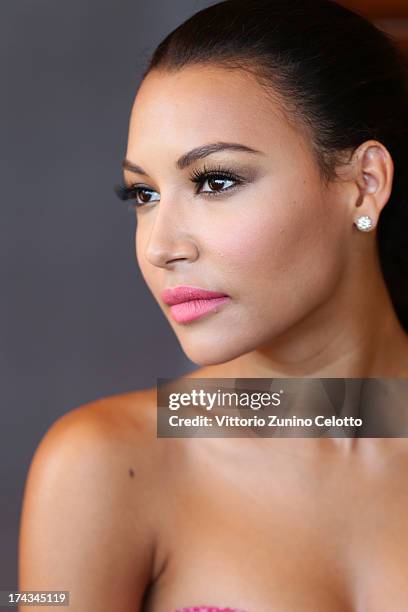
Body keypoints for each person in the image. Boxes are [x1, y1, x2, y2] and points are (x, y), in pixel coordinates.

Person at [19, 0, 408, 610]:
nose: (162, 247)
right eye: (143, 194)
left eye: (215, 181)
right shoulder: (102, 463)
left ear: (364, 182)